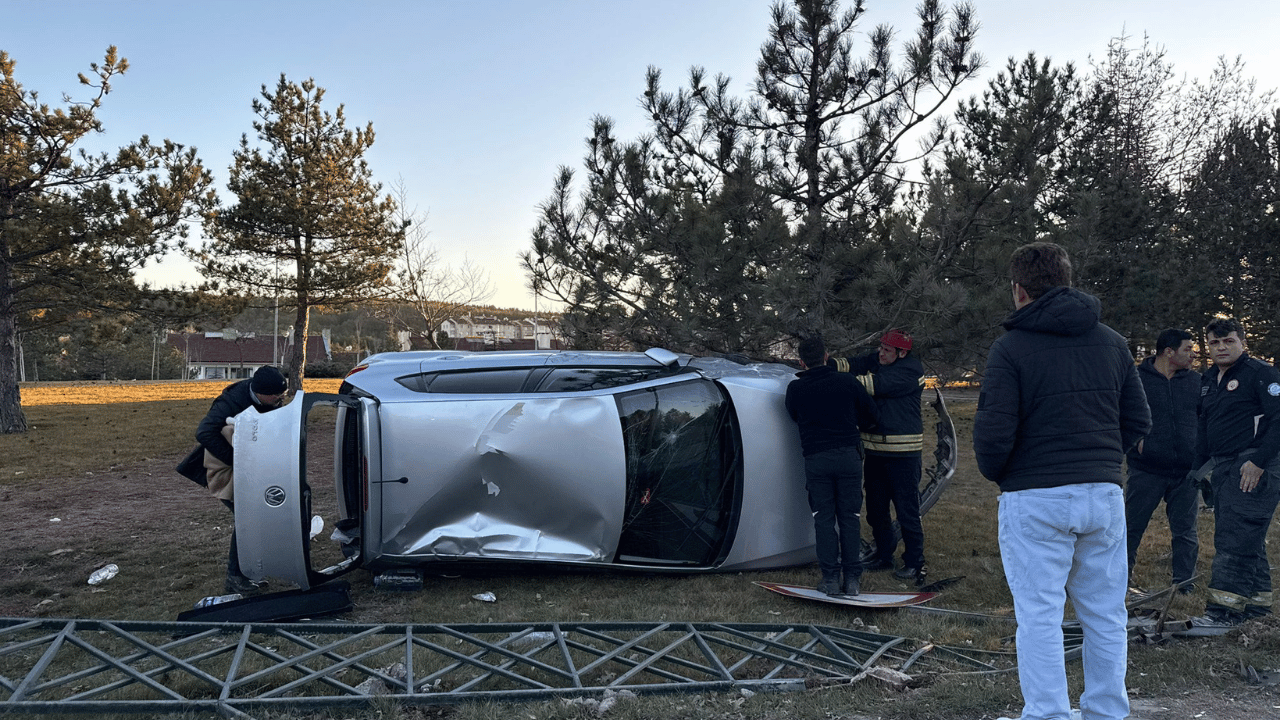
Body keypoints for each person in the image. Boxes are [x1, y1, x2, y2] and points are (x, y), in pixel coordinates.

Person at [973, 242, 1151, 720]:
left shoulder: (1010, 348)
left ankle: (1049, 714)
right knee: (1106, 614)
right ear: (1067, 280)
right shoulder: (1112, 342)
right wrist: (1100, 461)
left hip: (1035, 496)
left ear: (1019, 290)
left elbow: (992, 434)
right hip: (1102, 493)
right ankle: (1108, 711)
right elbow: (1138, 419)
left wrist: (1006, 474)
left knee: (1039, 616)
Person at [1194, 317, 1280, 626]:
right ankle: (1256, 609)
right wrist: (1198, 469)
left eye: (1228, 341)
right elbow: (1205, 425)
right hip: (1223, 466)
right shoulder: (1208, 379)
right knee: (1247, 538)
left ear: (1242, 341)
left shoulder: (1261, 374)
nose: (1221, 347)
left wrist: (1258, 462)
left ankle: (1222, 613)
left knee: (1235, 537)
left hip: (1255, 466)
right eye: (1214, 343)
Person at [786, 335, 880, 596]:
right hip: (849, 456)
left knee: (824, 520)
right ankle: (852, 579)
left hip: (817, 458)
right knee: (850, 517)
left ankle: (830, 578)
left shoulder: (796, 389)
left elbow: (793, 416)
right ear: (826, 357)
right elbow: (872, 415)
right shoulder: (847, 382)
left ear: (802, 362)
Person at [829, 329, 926, 582]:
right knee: (875, 509)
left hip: (903, 455)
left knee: (906, 512)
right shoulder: (880, 359)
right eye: (880, 348)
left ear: (902, 353)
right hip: (876, 453)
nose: (881, 353)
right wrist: (828, 363)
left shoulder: (910, 371)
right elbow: (854, 363)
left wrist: (828, 379)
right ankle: (884, 555)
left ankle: (915, 562)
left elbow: (870, 385)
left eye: (887, 350)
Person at [195, 365, 289, 595]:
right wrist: (237, 460)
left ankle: (251, 569)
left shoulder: (270, 399)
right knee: (248, 519)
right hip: (227, 471)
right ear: (259, 393)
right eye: (276, 396)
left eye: (283, 395)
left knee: (259, 517)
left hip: (254, 468)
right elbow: (204, 432)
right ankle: (235, 577)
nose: (280, 400)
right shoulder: (231, 401)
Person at [1125, 328, 1201, 593]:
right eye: (1187, 349)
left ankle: (1184, 585)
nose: (1193, 355)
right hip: (1146, 470)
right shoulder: (1135, 379)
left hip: (1186, 472)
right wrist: (1134, 442)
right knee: (1131, 528)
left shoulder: (1196, 382)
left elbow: (1206, 417)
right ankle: (1120, 581)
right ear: (1169, 351)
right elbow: (1118, 413)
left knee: (1186, 531)